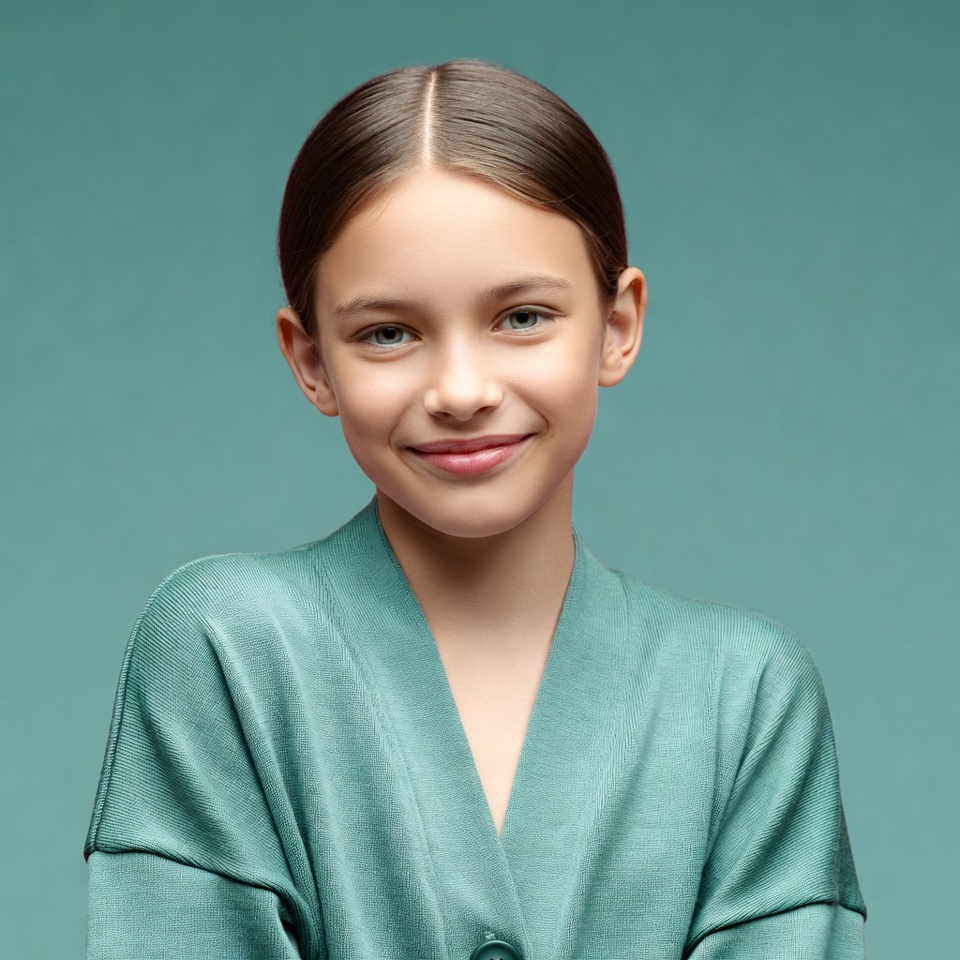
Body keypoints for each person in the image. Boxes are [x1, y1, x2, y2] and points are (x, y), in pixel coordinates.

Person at [84, 59, 867, 959]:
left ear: (618, 326)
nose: (461, 389)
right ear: (309, 362)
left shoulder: (746, 696)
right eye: (389, 333)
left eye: (523, 316)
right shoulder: (226, 648)